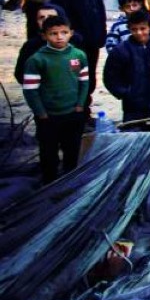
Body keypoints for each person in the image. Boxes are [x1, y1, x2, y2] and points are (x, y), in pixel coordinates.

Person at [21, 15, 89, 183]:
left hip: (73, 113)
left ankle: (70, 181)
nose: (59, 37)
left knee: (72, 150)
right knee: (48, 152)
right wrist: (41, 112)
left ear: (71, 33)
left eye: (64, 32)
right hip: (48, 116)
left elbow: (84, 82)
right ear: (44, 35)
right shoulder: (37, 60)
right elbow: (30, 90)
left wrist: (80, 104)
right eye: (53, 33)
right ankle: (49, 183)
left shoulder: (78, 55)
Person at [49, 0, 106, 108]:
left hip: (93, 41)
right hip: (75, 44)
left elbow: (100, 9)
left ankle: (85, 110)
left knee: (90, 77)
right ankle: (77, 111)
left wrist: (101, 32)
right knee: (76, 78)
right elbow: (60, 19)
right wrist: (73, 37)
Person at [104, 9, 150, 123]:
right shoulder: (120, 51)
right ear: (129, 29)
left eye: (142, 28)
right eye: (134, 29)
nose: (139, 33)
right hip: (133, 107)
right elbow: (110, 77)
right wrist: (125, 93)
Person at [15, 4, 84, 85]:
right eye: (41, 17)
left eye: (51, 17)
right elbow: (21, 74)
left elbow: (82, 71)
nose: (46, 20)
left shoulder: (75, 42)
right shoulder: (31, 46)